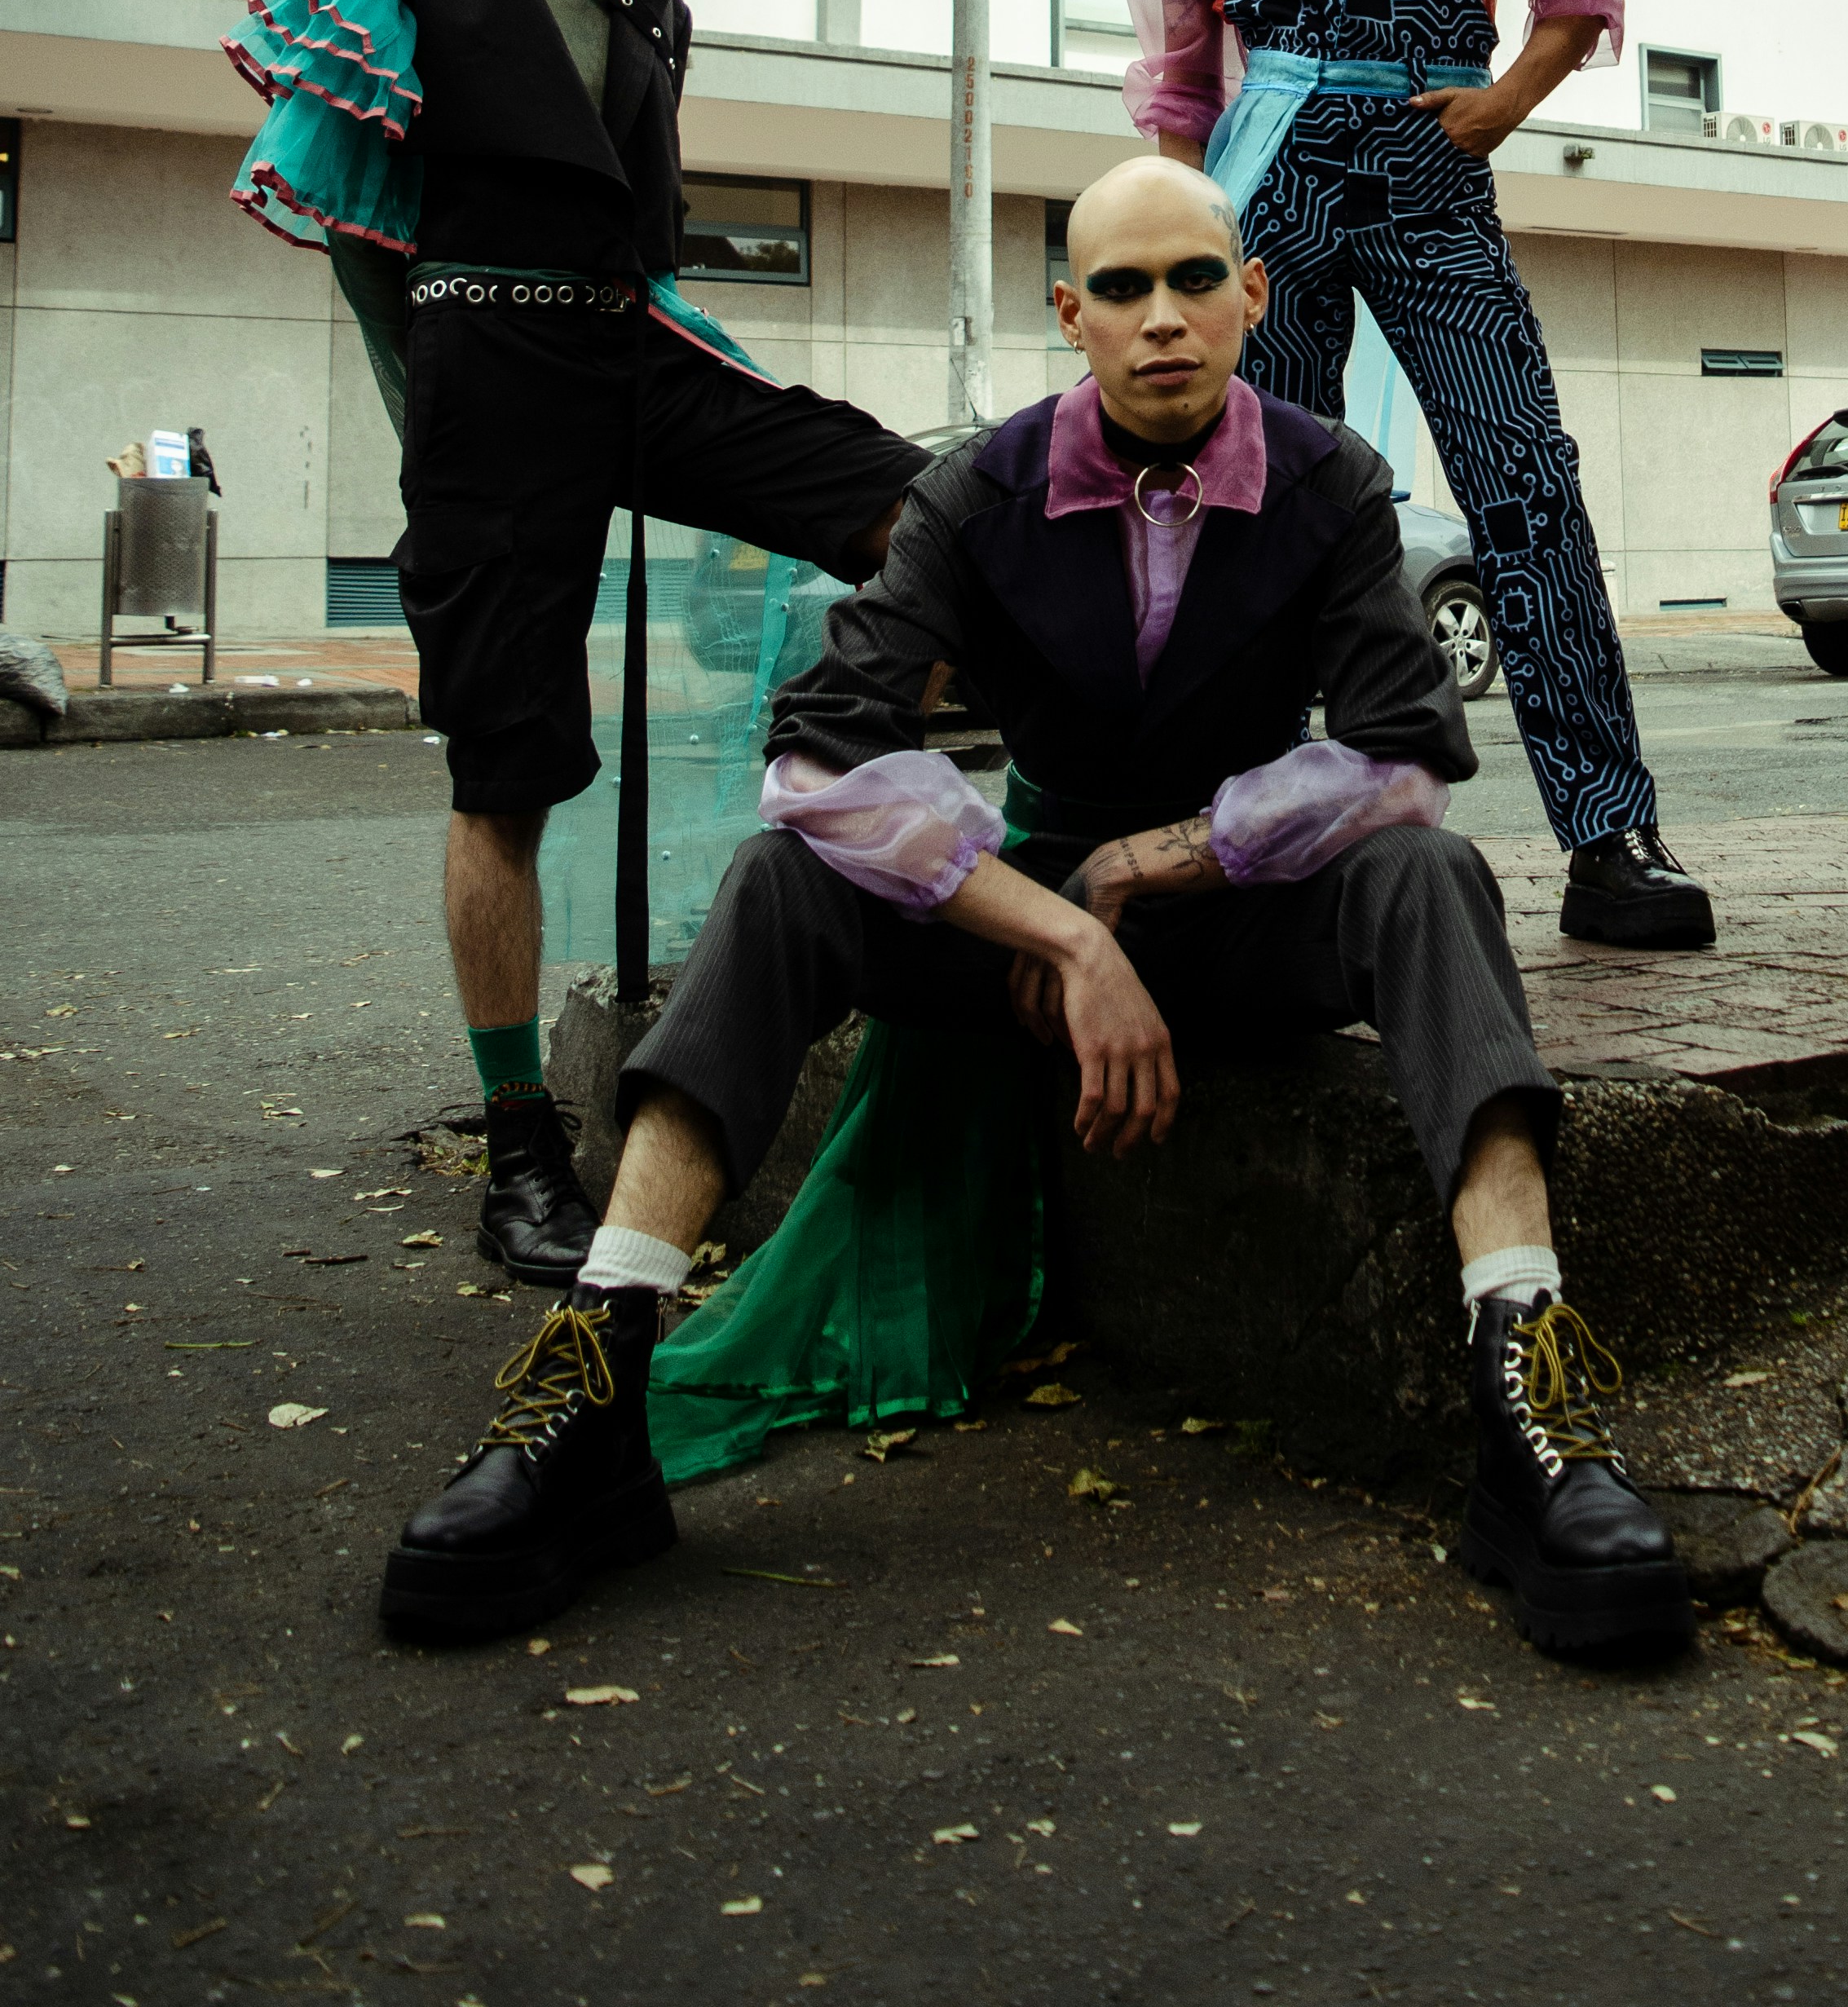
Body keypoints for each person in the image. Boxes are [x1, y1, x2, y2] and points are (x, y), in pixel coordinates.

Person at [375, 155, 1692, 1663]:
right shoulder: (979, 486)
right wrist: (1056, 923)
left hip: (1230, 924)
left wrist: (1151, 868)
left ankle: (1529, 1390)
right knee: (782, 881)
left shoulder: (1330, 479)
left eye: (1196, 279)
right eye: (1121, 290)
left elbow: (1402, 762)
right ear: (1071, 316)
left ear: (1254, 295)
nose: (1164, 319)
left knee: (1431, 876)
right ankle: (594, 1377)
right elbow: (816, 763)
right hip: (1012, 937)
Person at [226, 0, 928, 1286]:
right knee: (509, 767)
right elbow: (352, 232)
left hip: (633, 344)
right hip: (487, 373)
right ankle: (523, 1147)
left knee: (921, 503)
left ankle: (865, 795)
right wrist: (440, 425)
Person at [1108, 0, 1713, 954]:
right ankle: (1257, 835)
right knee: (1258, 503)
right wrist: (1193, 246)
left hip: (1438, 163)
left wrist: (1504, 106)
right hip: (1270, 185)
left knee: (1525, 478)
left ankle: (1612, 832)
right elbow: (1179, 88)